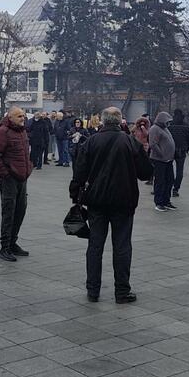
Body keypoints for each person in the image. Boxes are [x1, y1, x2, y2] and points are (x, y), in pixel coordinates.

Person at [70, 106, 151, 304]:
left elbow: (79, 173)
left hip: (97, 201)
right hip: (124, 201)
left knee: (95, 245)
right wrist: (144, 147)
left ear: (103, 121)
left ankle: (93, 290)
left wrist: (75, 195)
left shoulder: (91, 142)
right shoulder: (131, 142)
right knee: (122, 245)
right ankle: (122, 291)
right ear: (121, 121)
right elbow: (146, 174)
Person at [0, 107, 33, 261]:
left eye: (24, 116)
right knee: (9, 212)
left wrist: (29, 167)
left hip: (22, 178)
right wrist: (5, 175)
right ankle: (5, 247)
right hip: (10, 179)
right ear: (11, 117)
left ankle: (13, 242)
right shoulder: (3, 131)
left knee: (21, 210)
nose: (23, 118)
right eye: (20, 116)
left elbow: (25, 153)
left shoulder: (22, 131)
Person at [148, 111, 176, 212]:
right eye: (167, 121)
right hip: (159, 160)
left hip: (168, 160)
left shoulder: (165, 129)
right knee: (160, 181)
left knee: (169, 180)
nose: (168, 123)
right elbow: (153, 144)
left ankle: (166, 201)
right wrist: (162, 154)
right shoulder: (155, 129)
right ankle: (159, 202)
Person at [167, 109, 189, 197]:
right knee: (179, 170)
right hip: (182, 150)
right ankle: (176, 189)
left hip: (171, 150)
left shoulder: (170, 126)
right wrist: (186, 149)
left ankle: (169, 186)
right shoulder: (187, 126)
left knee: (169, 169)